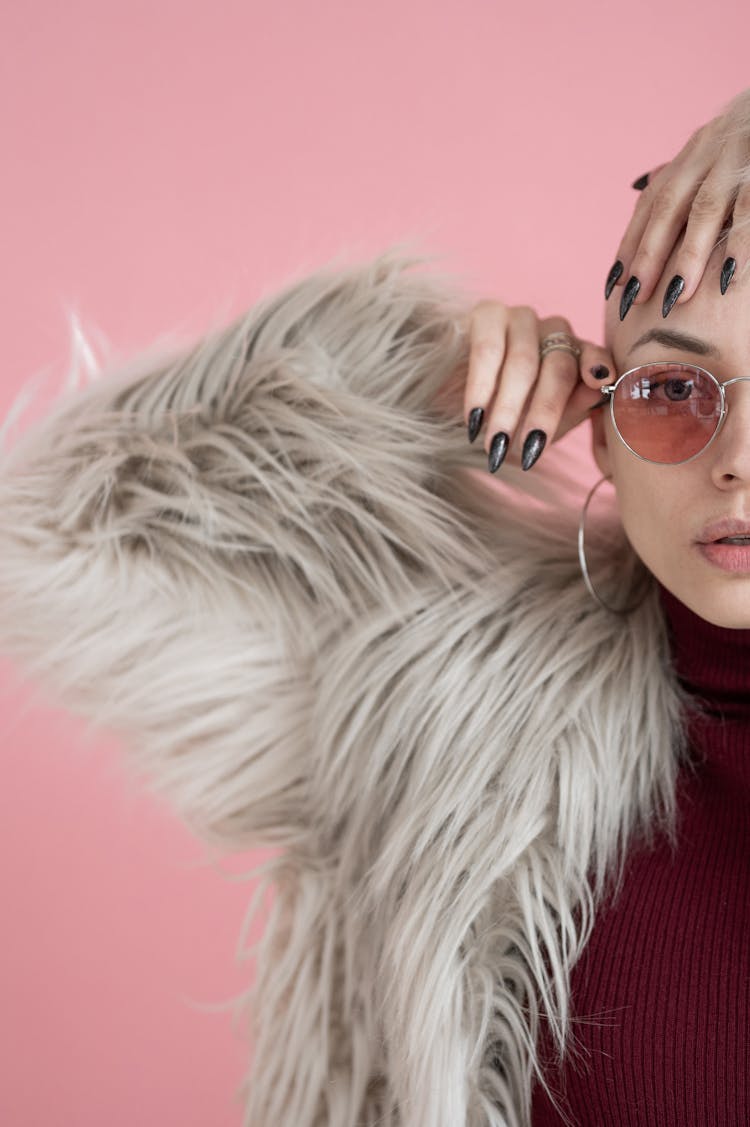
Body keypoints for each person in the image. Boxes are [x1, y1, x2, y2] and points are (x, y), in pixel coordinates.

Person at [0, 90, 748, 1127]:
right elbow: (52, 533)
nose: (738, 462)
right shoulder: (450, 697)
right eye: (675, 393)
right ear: (605, 433)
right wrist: (401, 385)